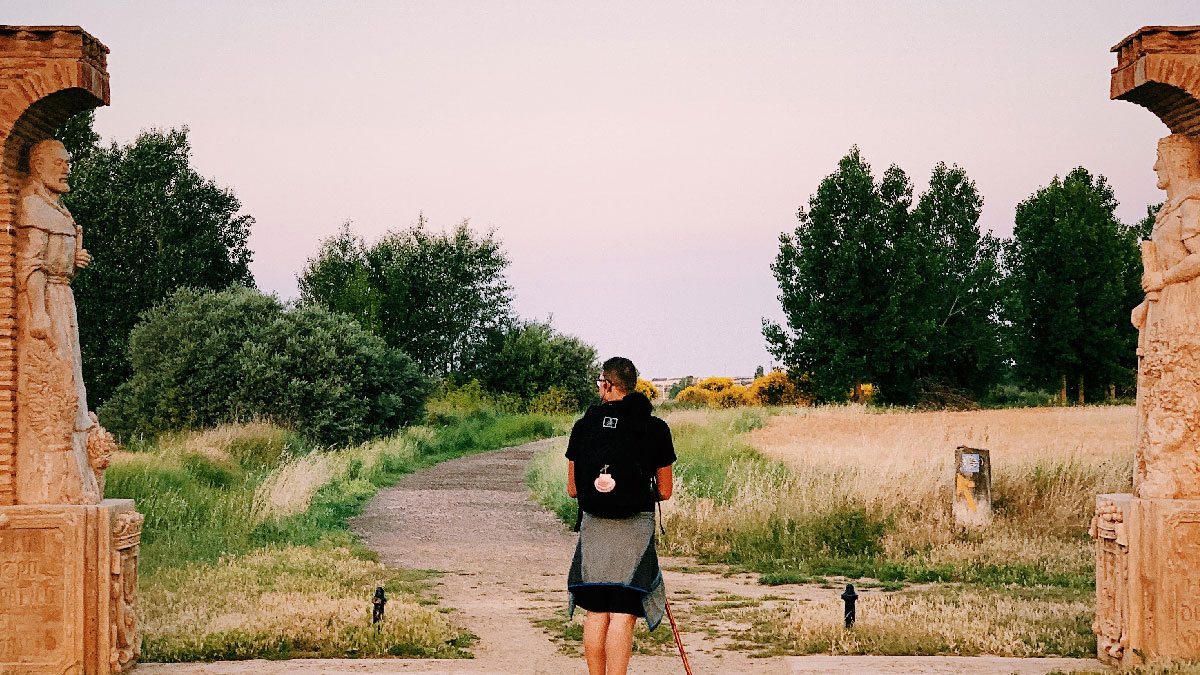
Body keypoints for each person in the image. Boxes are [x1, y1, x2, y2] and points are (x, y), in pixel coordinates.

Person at [566, 356, 675, 675]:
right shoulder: (655, 428)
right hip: (635, 531)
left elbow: (573, 489)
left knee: (596, 611)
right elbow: (665, 491)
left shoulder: (584, 425)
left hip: (595, 528)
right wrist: (637, 493)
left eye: (601, 382)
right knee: (623, 612)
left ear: (609, 385)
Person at [14, 138, 107, 505]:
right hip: (49, 302)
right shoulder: (33, 205)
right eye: (59, 162)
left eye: (69, 161)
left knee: (74, 375)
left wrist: (73, 260)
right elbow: (31, 264)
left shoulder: (58, 207)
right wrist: (38, 313)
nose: (67, 167)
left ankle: (81, 465)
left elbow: (54, 260)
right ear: (38, 165)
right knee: (58, 377)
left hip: (63, 297)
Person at [1132, 133, 1200, 499]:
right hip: (1164, 311)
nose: (1155, 166)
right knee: (1159, 385)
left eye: (1160, 159)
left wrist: (1163, 279)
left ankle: (1173, 470)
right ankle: (1157, 468)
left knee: (1178, 386)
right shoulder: (1172, 208)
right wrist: (1147, 303)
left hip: (1186, 313)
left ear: (1177, 161)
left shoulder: (1192, 202)